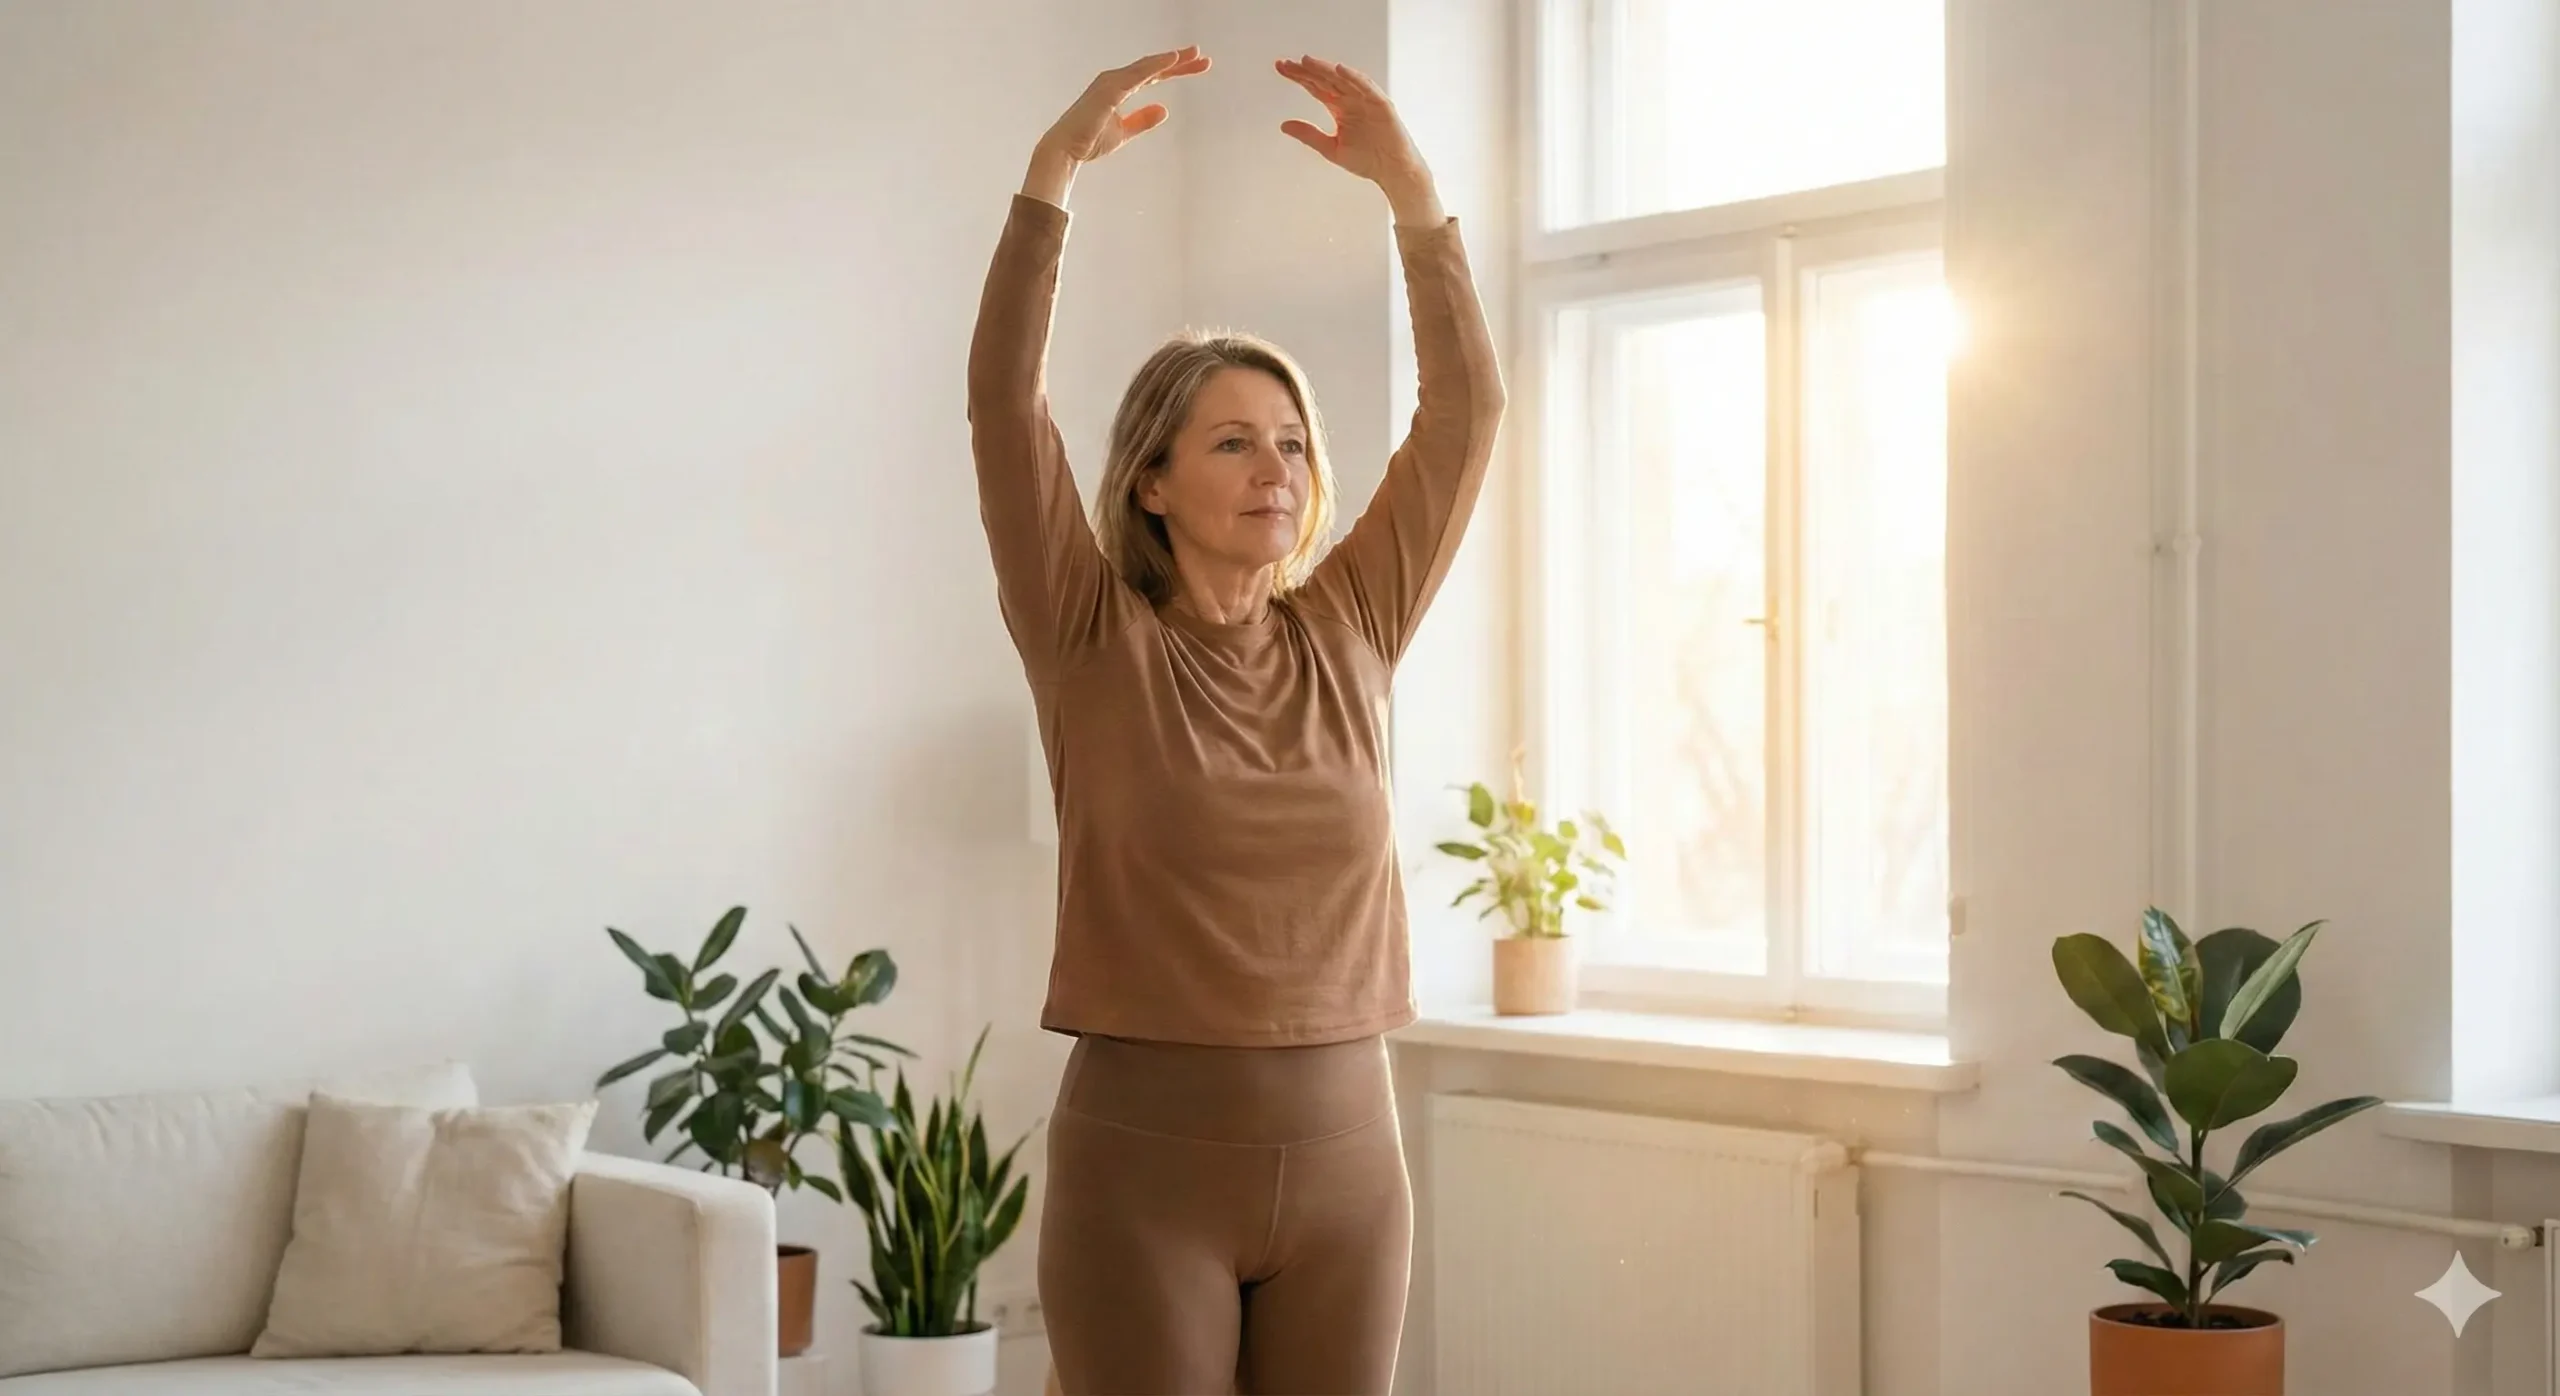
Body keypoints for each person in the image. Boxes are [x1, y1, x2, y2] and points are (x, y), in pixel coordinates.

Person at [967, 43, 1503, 1396]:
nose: (1276, 467)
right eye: (1230, 441)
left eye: (1293, 441)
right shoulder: (1093, 640)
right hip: (1145, 1169)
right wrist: (1051, 183)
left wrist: (1414, 196)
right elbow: (1001, 406)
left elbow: (1466, 414)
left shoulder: (1352, 627)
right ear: (1149, 481)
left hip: (1349, 1164)